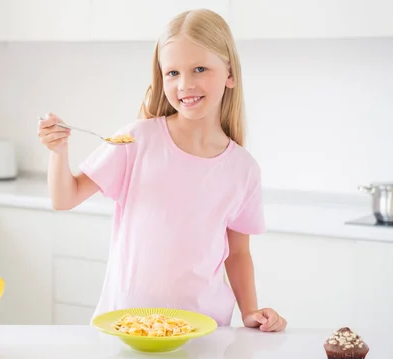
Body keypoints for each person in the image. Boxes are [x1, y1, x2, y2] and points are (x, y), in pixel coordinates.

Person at [37, 8, 287, 332]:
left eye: (199, 68)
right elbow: (64, 198)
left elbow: (238, 253)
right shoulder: (135, 139)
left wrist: (250, 310)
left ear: (230, 74)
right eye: (172, 73)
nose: (185, 84)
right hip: (127, 326)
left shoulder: (243, 169)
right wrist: (58, 152)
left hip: (203, 330)